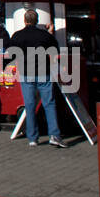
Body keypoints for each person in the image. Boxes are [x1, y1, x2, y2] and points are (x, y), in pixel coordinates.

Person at [9, 9, 65, 147]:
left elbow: (10, 53)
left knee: (29, 105)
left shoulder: (18, 35)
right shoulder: (44, 35)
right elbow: (55, 50)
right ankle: (54, 135)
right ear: (37, 20)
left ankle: (32, 137)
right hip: (43, 71)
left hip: (26, 72)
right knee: (49, 103)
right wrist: (50, 32)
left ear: (24, 20)